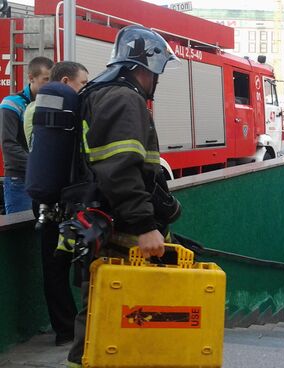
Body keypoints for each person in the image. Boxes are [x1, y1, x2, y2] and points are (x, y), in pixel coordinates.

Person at [66, 25, 180, 368]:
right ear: (145, 67)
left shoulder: (100, 92)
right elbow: (119, 169)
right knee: (115, 312)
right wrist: (145, 226)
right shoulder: (123, 97)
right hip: (123, 229)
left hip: (105, 219)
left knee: (101, 308)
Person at [24, 61, 89, 347]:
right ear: (66, 81)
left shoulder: (38, 111)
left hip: (49, 199)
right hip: (63, 199)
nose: (83, 90)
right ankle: (68, 330)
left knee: (55, 268)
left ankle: (66, 330)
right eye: (82, 84)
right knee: (60, 267)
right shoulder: (50, 112)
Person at [0, 56, 53, 213]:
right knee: (21, 233)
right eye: (46, 79)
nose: (50, 84)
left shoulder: (51, 103)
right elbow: (8, 145)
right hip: (20, 179)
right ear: (31, 78)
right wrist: (38, 166)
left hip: (44, 179)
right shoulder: (12, 104)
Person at [24, 61, 89, 151]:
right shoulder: (55, 109)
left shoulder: (36, 106)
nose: (86, 88)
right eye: (83, 83)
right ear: (65, 81)